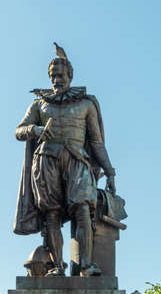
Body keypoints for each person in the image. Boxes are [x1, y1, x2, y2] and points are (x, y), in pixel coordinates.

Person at [14, 44, 116, 276]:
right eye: (53, 76)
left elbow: (97, 143)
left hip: (77, 159)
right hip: (46, 159)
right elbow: (19, 131)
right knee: (51, 213)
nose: (56, 80)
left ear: (70, 76)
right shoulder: (39, 104)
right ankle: (57, 267)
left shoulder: (86, 104)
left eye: (60, 75)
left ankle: (86, 264)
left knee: (82, 210)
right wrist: (36, 129)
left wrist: (110, 172)